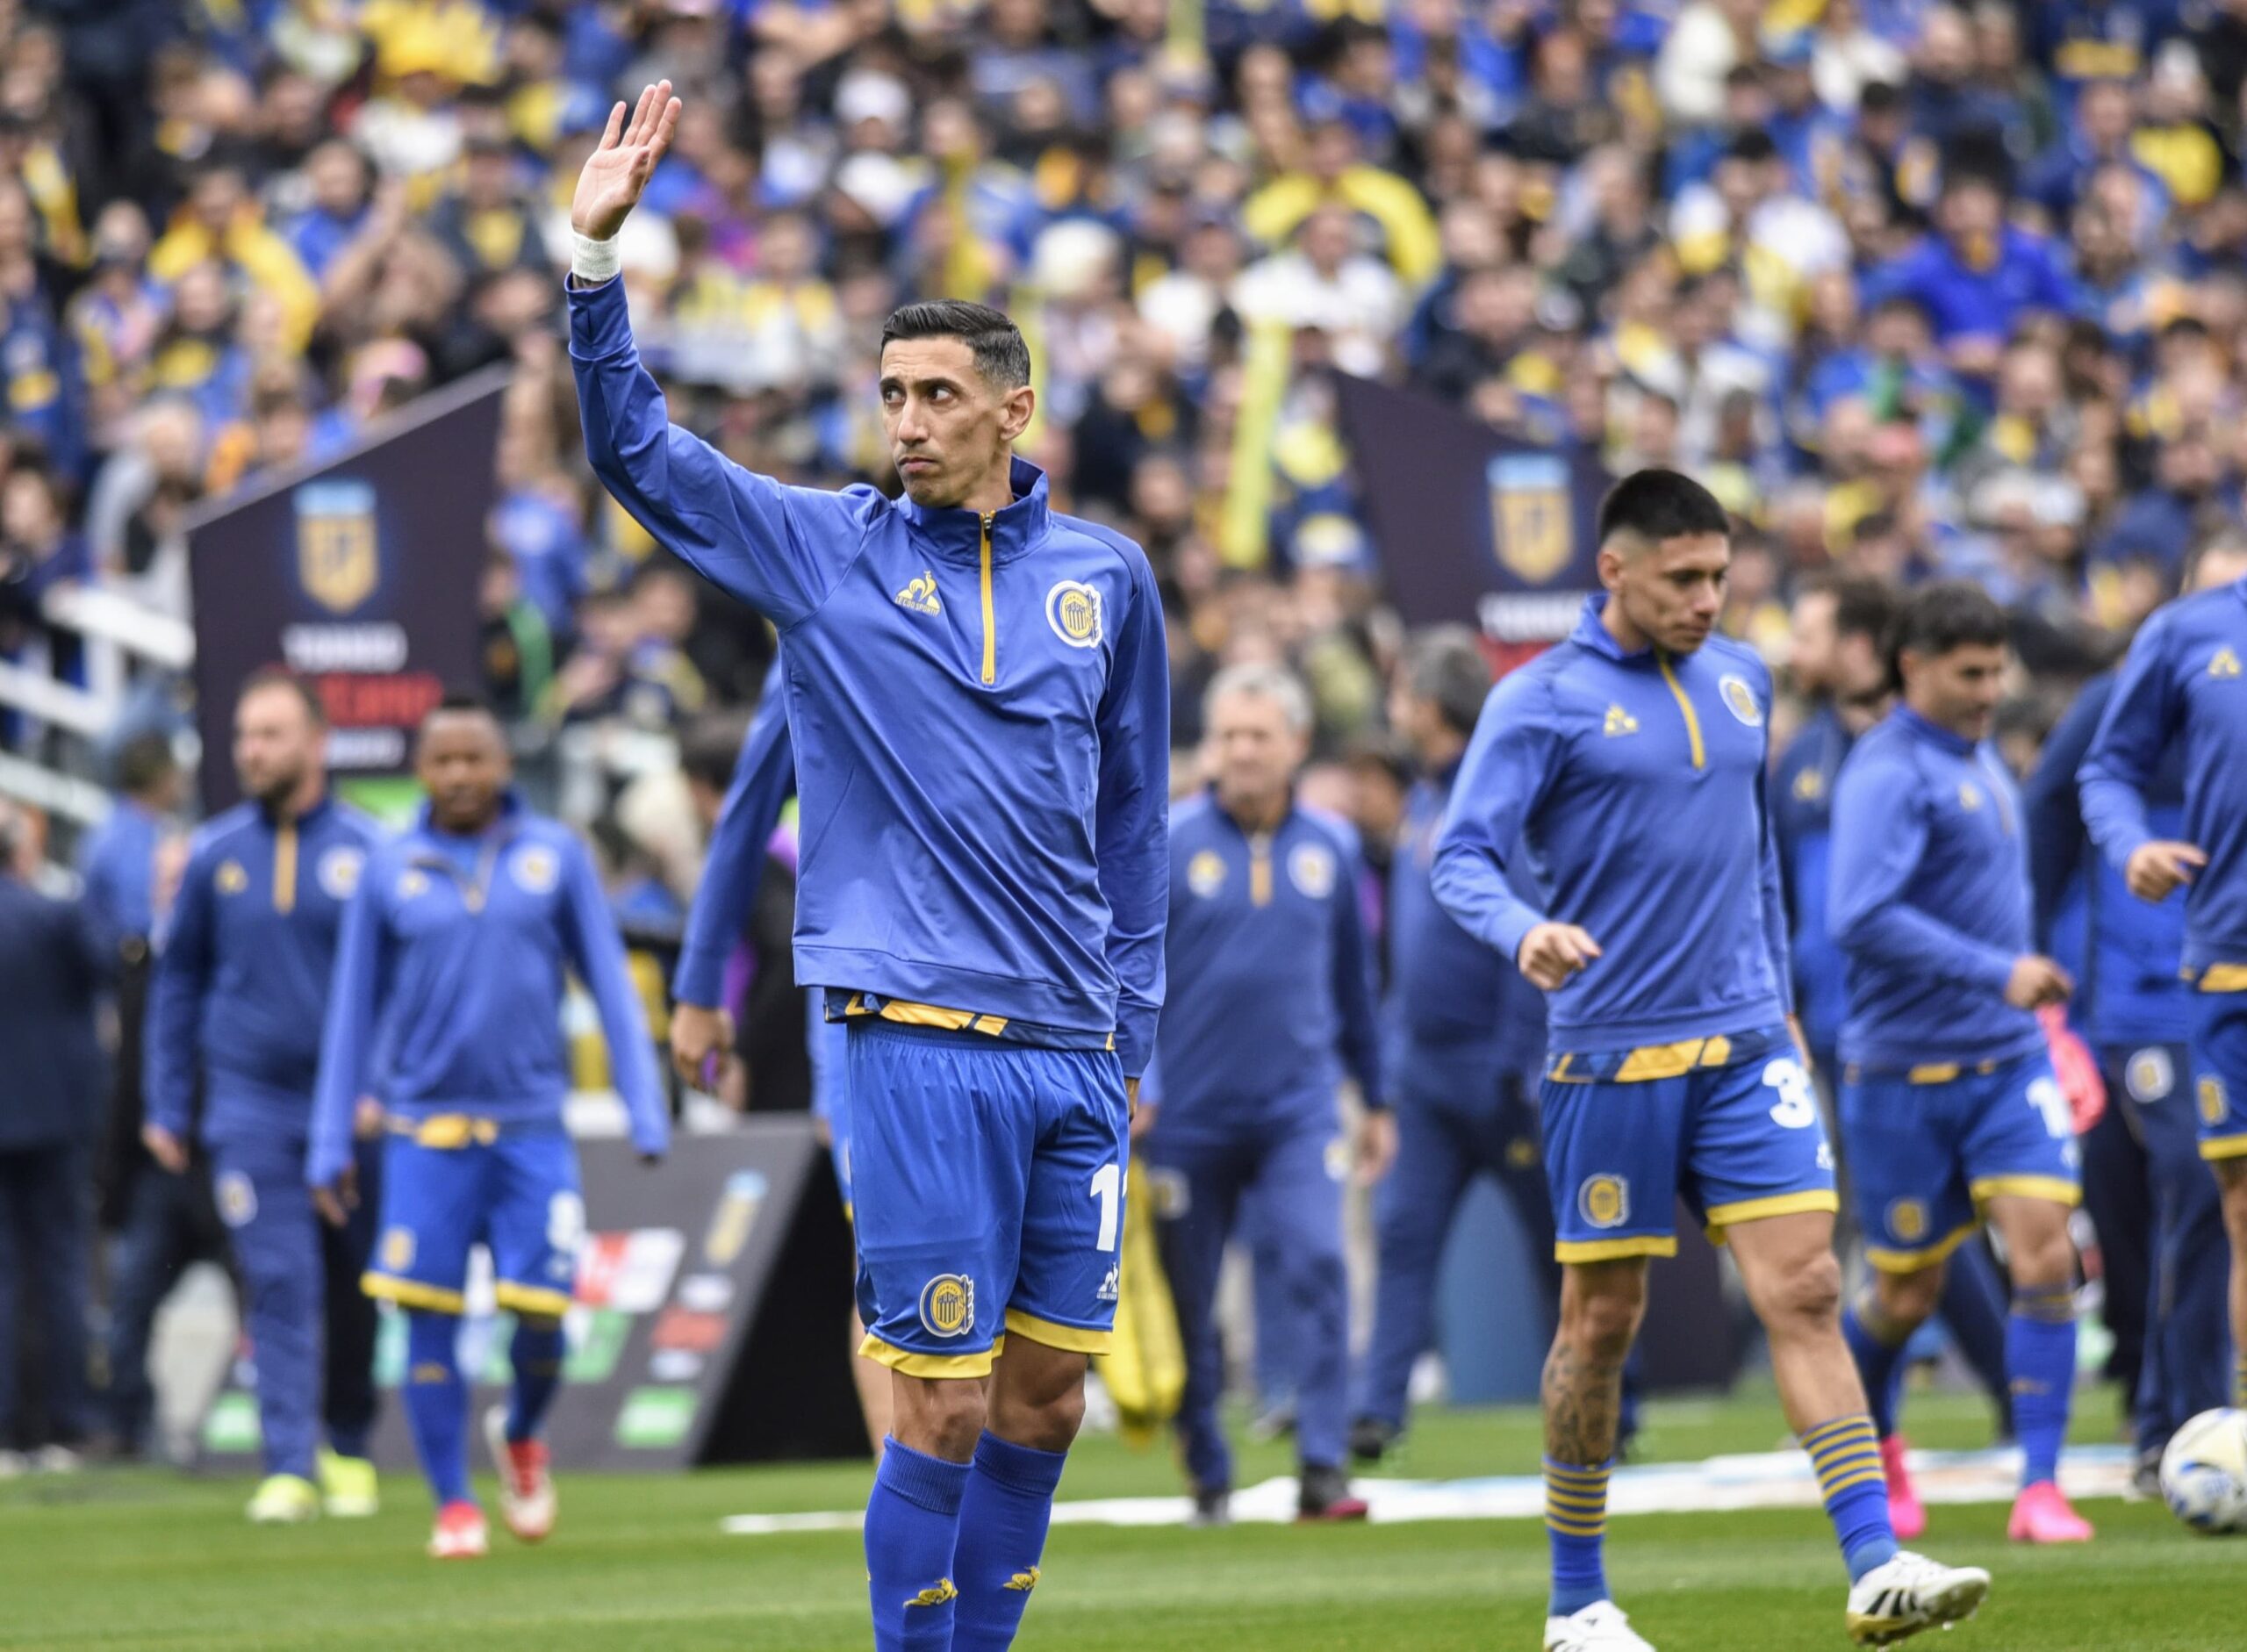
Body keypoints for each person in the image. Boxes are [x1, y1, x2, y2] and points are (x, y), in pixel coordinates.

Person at [569, 83, 1169, 1652]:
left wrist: (1138, 1032)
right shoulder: (825, 554)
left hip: (1074, 1045)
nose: (904, 419)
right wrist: (594, 263)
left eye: (936, 395)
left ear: (1013, 413)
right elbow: (638, 453)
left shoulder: (1110, 581)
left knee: (1047, 1397)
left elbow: (1133, 820)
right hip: (912, 1037)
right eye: (891, 391)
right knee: (943, 1401)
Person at [1433, 470, 1987, 1652]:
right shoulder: (1540, 699)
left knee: (1809, 1286)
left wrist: (1779, 998)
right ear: (1613, 570)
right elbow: (1460, 856)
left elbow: (1758, 855)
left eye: (1720, 576)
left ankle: (1875, 1563)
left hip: (1745, 1044)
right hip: (1610, 1054)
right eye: (1682, 577)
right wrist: (1522, 929)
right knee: (1601, 1321)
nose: (1705, 598)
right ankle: (1576, 1603)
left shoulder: (1742, 680)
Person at [307, 698, 670, 1560]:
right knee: (427, 1319)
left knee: (543, 1319)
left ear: (505, 764)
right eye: (443, 760)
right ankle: (453, 1503)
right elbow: (351, 1009)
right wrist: (329, 1138)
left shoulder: (555, 856)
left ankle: (523, 1431)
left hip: (530, 1131)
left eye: (475, 757)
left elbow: (608, 981)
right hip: (422, 1134)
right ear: (421, 770)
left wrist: (645, 1102)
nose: (460, 775)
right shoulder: (388, 865)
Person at [1828, 582, 2095, 1548]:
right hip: (1900, 1077)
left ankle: (2041, 1485)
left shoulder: (1977, 754)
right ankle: (1879, 1447)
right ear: (1913, 667)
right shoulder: (1885, 773)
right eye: (1970, 674)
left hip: (2006, 1063)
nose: (1989, 692)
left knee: (2045, 1252)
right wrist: (1999, 970)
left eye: (1996, 672)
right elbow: (1858, 914)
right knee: (1906, 1292)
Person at [1143, 663, 1392, 1526]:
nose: (1242, 751)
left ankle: (1322, 1464)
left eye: (1258, 735)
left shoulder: (1333, 846)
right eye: (1228, 736)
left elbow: (1356, 983)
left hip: (1300, 1109)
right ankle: (1207, 1470)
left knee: (1321, 1261)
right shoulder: (1167, 841)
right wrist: (1139, 1079)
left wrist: (1377, 1097)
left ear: (1295, 743)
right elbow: (1128, 973)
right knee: (1188, 1299)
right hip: (1187, 1113)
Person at [1773, 577, 2017, 1453]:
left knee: (1928, 1237)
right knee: (1901, 1238)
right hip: (1832, 1027)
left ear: (1859, 647)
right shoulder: (1802, 757)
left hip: (1934, 1024)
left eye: (1809, 632)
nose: (1793, 652)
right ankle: (1879, 1415)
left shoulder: (1935, 750)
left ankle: (1899, 1407)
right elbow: (1778, 897)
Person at [2028, 537, 2247, 1490]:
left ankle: (2166, 1411)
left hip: (2180, 977)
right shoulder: (2156, 665)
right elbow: (2059, 802)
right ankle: (2179, 1420)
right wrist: (2040, 953)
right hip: (2158, 988)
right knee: (2201, 1192)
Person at [142, 671, 385, 1523]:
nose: (252, 751)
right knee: (277, 1280)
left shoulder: (371, 850)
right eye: (244, 735)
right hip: (249, 1107)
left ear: (318, 743)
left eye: (271, 734)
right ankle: (287, 1463)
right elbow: (178, 982)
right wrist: (166, 1100)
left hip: (348, 1112)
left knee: (353, 1283)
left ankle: (347, 1441)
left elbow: (401, 985)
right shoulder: (213, 855)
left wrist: (378, 1086)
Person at [1353, 628, 1575, 1462]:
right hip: (1427, 1073)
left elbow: (1529, 934)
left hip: (1497, 1070)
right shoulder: (1422, 800)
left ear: (1429, 706)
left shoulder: (1497, 794)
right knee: (1404, 1238)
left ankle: (1608, 1407)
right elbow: (1408, 951)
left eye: (1402, 694)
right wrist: (1394, 1061)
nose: (1395, 709)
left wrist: (1516, 1061)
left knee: (1562, 1251)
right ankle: (1378, 1411)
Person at [668, 658, 891, 1454]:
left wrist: (743, 1052)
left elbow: (781, 965)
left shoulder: (777, 850)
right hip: (849, 1061)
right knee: (883, 1271)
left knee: (891, 1273)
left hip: (845, 1064)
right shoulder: (799, 842)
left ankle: (923, 1471)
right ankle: (906, 1477)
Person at [0, 798, 113, 1473]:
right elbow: (108, 968)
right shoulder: (53, 915)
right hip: (57, 1117)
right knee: (63, 1268)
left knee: (7, 1272)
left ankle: (8, 1426)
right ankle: (68, 1420)